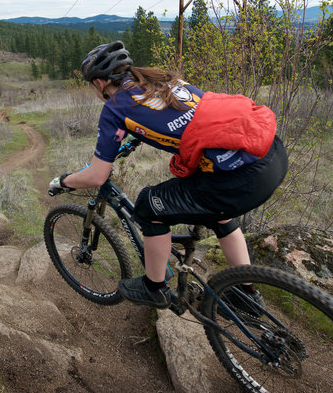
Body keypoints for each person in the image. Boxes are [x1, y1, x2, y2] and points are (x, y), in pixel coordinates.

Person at [49, 41, 288, 309]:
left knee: (149, 205)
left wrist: (64, 181)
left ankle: (154, 287)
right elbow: (177, 117)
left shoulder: (115, 108)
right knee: (222, 215)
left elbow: (96, 176)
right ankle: (248, 295)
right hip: (270, 154)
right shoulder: (161, 80)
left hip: (240, 179)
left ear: (100, 83)